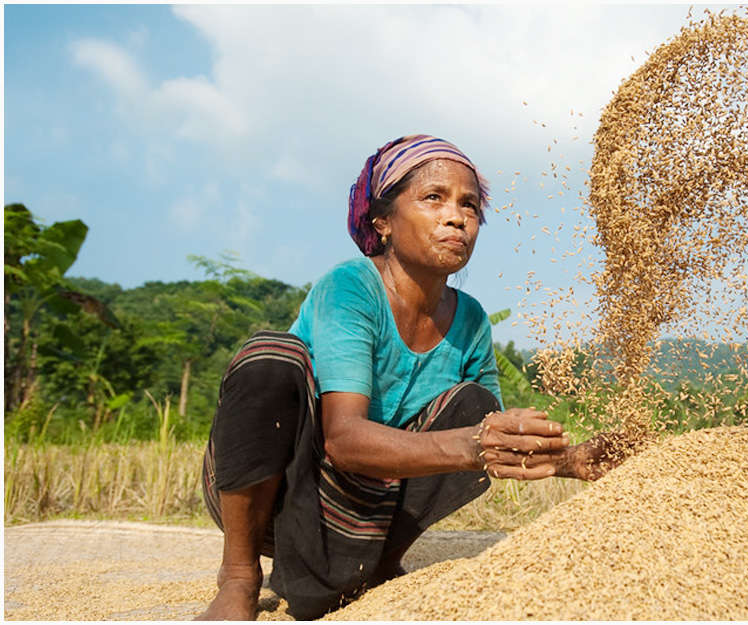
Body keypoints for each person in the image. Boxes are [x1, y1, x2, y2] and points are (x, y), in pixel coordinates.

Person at [197, 135, 619, 620]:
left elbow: (492, 441)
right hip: (283, 490)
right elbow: (342, 438)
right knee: (271, 355)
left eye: (469, 205)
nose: (457, 217)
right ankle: (239, 575)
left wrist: (572, 459)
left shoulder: (471, 321)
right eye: (433, 197)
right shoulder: (350, 288)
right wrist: (473, 445)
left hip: (362, 507)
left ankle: (377, 561)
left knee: (476, 405)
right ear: (383, 222)